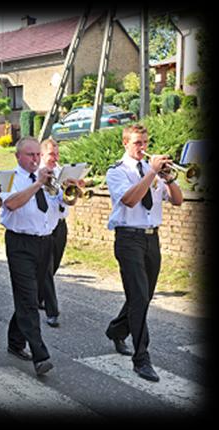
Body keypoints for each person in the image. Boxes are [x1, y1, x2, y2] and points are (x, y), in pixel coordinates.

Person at [104, 125, 183, 382]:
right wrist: (151, 172)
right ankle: (141, 359)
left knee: (144, 296)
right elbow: (129, 200)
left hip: (152, 239)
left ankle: (117, 329)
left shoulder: (156, 174)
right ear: (125, 143)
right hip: (128, 239)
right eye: (138, 142)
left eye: (146, 142)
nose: (143, 147)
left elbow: (179, 200)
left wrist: (169, 178)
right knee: (138, 296)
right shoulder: (117, 171)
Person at [0, 136, 61, 376]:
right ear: (18, 157)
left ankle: (15, 340)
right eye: (30, 155)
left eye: (37, 155)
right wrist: (37, 184)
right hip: (20, 243)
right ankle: (40, 354)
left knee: (33, 296)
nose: (35, 159)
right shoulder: (9, 179)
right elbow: (11, 204)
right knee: (27, 298)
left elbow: (60, 208)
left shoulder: (49, 178)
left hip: (45, 242)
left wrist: (71, 193)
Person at [36, 138, 83, 328]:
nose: (55, 157)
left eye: (57, 153)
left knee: (53, 265)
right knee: (46, 267)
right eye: (51, 154)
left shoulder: (62, 171)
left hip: (61, 223)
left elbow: (71, 198)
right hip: (44, 225)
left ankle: (38, 297)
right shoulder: (37, 173)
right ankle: (52, 311)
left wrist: (77, 187)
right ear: (42, 155)